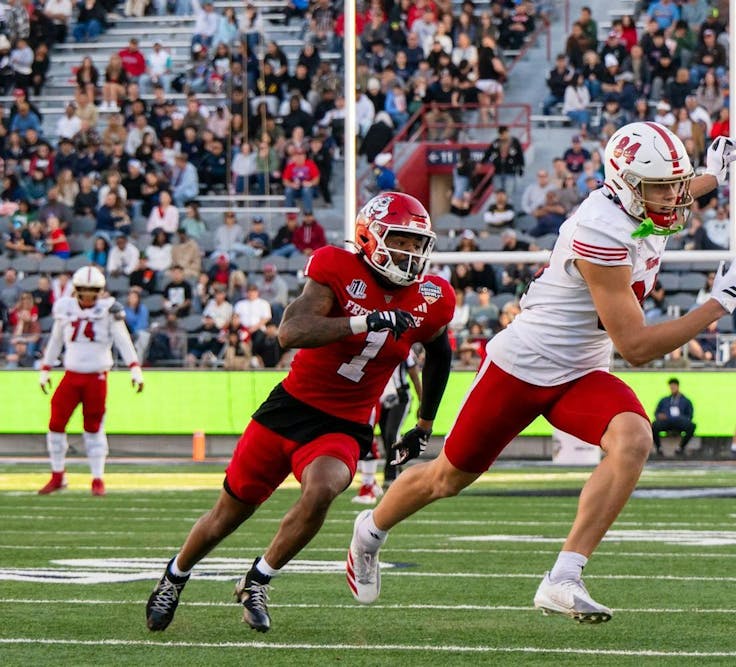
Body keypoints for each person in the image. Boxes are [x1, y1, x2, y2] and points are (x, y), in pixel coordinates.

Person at [344, 126, 736, 623]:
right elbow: (637, 347)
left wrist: (715, 176)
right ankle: (370, 532)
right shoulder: (601, 229)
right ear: (627, 185)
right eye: (663, 186)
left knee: (633, 439)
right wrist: (717, 305)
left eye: (676, 184)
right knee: (446, 479)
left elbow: (672, 194)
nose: (675, 197)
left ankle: (563, 576)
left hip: (579, 372)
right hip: (524, 365)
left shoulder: (642, 202)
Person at [145, 192, 456, 634]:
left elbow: (439, 352)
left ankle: (258, 579)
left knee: (323, 488)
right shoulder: (336, 268)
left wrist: (424, 424)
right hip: (290, 408)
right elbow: (292, 332)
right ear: (370, 237)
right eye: (401, 241)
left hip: (344, 422)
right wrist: (365, 321)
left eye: (415, 244)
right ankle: (174, 576)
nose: (410, 253)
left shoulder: (432, 296)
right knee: (227, 514)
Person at [37, 267, 144, 496]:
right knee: (56, 423)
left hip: (97, 376)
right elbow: (56, 340)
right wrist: (45, 368)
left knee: (94, 427)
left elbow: (123, 340)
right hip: (71, 373)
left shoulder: (109, 310)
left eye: (92, 291)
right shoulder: (65, 309)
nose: (87, 296)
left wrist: (134, 368)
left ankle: (97, 478)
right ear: (75, 290)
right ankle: (58, 475)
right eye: (83, 291)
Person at [353, 352, 423, 503]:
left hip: (400, 397)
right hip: (379, 397)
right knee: (384, 437)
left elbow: (414, 373)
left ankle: (392, 477)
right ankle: (391, 472)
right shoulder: (377, 345)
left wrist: (421, 400)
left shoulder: (405, 350)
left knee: (392, 434)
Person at [650, 377, 696, 458]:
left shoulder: (685, 401)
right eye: (671, 387)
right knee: (653, 426)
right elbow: (657, 412)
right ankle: (659, 448)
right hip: (666, 421)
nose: (672, 389)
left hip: (679, 422)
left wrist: (682, 418)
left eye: (674, 387)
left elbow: (690, 415)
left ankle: (680, 448)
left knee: (692, 426)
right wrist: (659, 416)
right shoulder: (664, 400)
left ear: (677, 386)